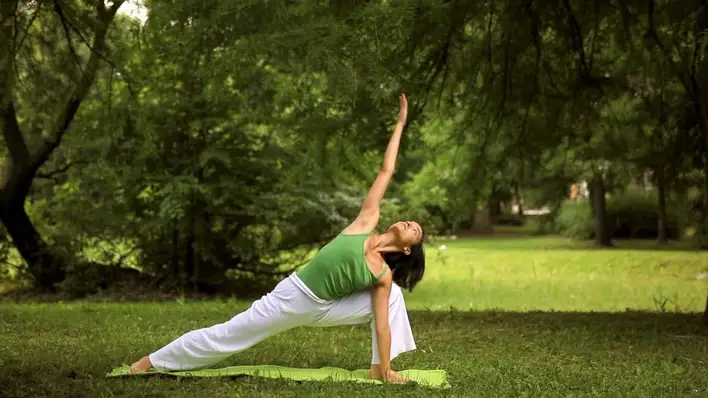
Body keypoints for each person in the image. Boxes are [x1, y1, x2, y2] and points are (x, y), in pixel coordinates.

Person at [129, 93, 425, 384]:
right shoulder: (365, 222)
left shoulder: (382, 274)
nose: (410, 222)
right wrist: (399, 125)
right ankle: (152, 361)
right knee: (232, 333)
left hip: (325, 307)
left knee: (393, 299)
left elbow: (383, 326)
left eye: (415, 229)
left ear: (408, 248)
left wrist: (385, 368)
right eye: (411, 221)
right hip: (293, 297)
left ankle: (381, 370)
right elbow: (386, 171)